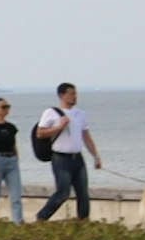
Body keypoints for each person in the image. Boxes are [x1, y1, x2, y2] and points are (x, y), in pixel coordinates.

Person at [33, 82, 100, 220]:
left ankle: (84, 221)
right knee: (63, 193)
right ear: (62, 95)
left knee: (83, 193)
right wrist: (59, 127)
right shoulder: (50, 113)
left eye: (75, 94)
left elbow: (86, 137)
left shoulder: (80, 114)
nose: (75, 97)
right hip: (61, 159)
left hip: (77, 158)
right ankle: (42, 217)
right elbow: (40, 133)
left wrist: (96, 156)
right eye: (71, 94)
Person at [0, 97, 25, 222]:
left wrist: (16, 160)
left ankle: (18, 222)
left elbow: (14, 145)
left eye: (8, 107)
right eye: (3, 107)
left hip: (11, 161)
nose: (6, 110)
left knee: (16, 196)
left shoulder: (10, 127)